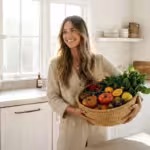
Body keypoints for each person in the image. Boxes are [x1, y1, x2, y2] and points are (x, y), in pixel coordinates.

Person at [47, 16, 142, 150]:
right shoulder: (55, 65)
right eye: (64, 31)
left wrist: (138, 103)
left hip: (98, 130)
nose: (68, 35)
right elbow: (52, 96)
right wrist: (74, 111)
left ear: (82, 33)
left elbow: (127, 84)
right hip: (71, 130)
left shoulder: (99, 61)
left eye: (72, 30)